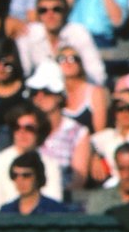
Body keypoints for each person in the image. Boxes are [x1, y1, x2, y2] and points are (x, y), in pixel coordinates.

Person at [18, 0, 106, 86]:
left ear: (64, 11)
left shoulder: (78, 32)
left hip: (74, 90)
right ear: (38, 14)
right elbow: (22, 72)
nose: (50, 15)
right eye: (43, 10)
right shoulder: (29, 33)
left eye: (56, 9)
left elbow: (98, 75)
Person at [0, 102, 63, 214]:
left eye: (29, 128)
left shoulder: (50, 164)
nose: (22, 133)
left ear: (39, 131)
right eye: (17, 128)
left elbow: (54, 205)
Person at [29, 60, 90, 193]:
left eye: (46, 91)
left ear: (59, 96)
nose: (40, 97)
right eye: (35, 92)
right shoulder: (26, 127)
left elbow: (79, 178)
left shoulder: (78, 132)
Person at [0, 150, 71, 215]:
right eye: (15, 175)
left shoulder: (55, 210)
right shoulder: (6, 211)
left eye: (26, 175)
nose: (20, 181)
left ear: (38, 177)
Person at [59, 45, 109, 133]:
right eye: (62, 58)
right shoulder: (54, 94)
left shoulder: (94, 92)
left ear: (80, 64)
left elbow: (100, 132)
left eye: (73, 58)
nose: (67, 62)